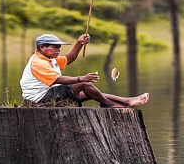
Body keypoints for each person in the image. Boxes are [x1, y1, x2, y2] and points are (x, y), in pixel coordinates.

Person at [20, 33, 150, 108]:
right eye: (55, 47)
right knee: (84, 84)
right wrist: (80, 79)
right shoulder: (38, 62)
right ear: (42, 47)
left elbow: (68, 59)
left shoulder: (49, 58)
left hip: (49, 93)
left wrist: (79, 43)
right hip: (40, 99)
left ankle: (127, 101)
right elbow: (56, 80)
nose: (58, 50)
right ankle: (108, 104)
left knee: (89, 92)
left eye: (59, 48)